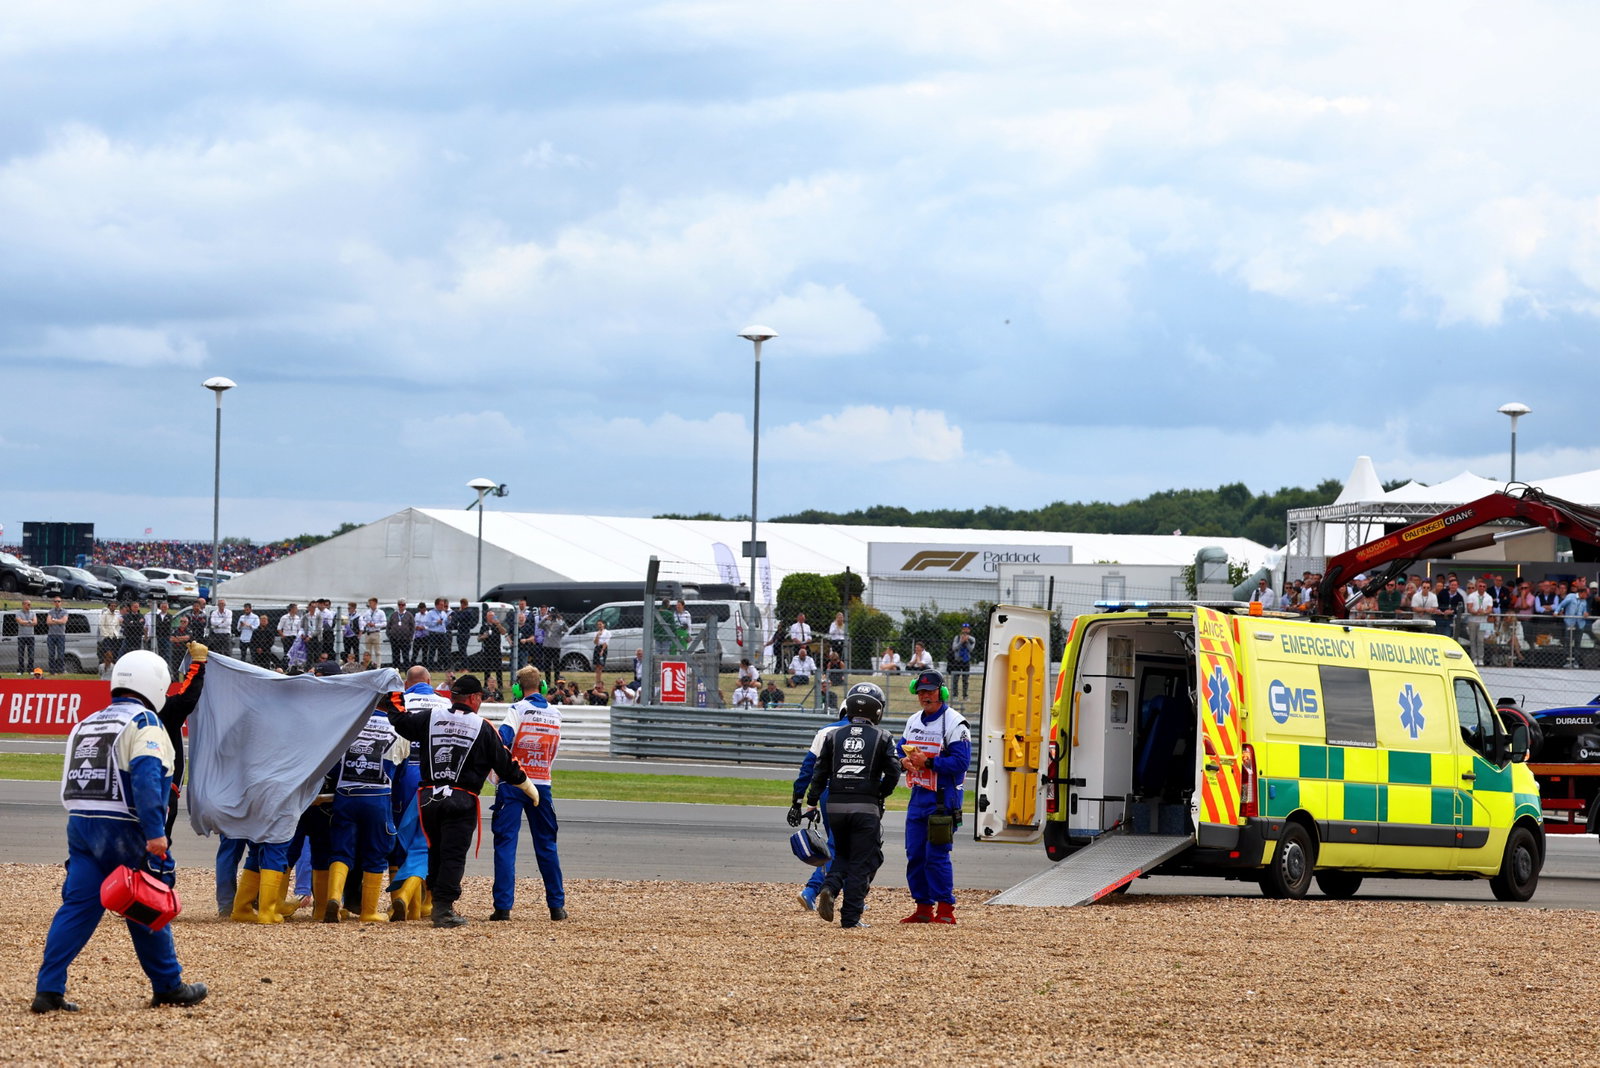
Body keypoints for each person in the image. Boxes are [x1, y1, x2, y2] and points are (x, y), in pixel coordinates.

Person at [31, 649, 208, 1013]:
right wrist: (156, 831)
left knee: (78, 907)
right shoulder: (145, 723)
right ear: (155, 684)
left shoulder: (89, 721)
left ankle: (48, 989)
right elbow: (146, 776)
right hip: (125, 827)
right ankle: (168, 985)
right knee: (147, 904)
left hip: (82, 825)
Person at [388, 674, 538, 927]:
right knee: (453, 855)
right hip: (461, 799)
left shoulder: (430, 717)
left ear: (453, 697)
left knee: (435, 851)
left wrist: (391, 692)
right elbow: (505, 763)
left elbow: (400, 720)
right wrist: (528, 786)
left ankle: (436, 900)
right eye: (481, 697)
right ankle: (444, 910)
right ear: (474, 698)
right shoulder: (482, 726)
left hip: (428, 799)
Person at [801, 682, 901, 929]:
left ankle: (828, 888)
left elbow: (819, 771)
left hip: (835, 807)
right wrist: (880, 793)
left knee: (843, 855)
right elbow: (894, 770)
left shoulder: (833, 735)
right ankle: (851, 917)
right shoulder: (883, 736)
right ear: (877, 711)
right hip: (865, 807)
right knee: (862, 861)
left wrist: (812, 800)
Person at [323, 688, 410, 924]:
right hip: (378, 797)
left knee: (341, 849)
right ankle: (369, 910)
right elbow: (401, 771)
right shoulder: (397, 730)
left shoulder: (348, 725)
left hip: (345, 794)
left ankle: (333, 899)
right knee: (376, 852)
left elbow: (330, 767)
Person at [491, 666, 568, 921]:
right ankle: (556, 907)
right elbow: (554, 752)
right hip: (543, 784)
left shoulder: (517, 709)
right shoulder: (555, 714)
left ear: (517, 688)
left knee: (505, 843)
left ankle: (503, 909)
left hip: (513, 783)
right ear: (543, 686)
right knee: (547, 844)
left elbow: (503, 739)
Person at [897, 670, 971, 925]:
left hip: (944, 798)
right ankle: (923, 908)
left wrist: (928, 762)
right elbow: (899, 749)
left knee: (936, 855)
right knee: (915, 853)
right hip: (918, 795)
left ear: (941, 692)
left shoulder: (955, 723)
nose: (925, 696)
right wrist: (903, 761)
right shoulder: (913, 720)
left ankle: (946, 910)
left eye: (929, 691)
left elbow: (961, 762)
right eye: (921, 691)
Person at [788, 701, 851, 912]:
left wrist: (798, 801)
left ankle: (851, 896)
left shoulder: (825, 731)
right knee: (842, 847)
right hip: (856, 795)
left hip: (826, 794)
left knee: (845, 847)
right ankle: (812, 890)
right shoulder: (873, 733)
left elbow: (808, 768)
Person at [948, 622, 976, 701]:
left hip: (966, 661)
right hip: (957, 661)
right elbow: (954, 648)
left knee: (965, 680)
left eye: (967, 629)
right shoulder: (957, 638)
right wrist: (961, 642)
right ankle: (955, 695)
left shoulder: (972, 639)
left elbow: (971, 649)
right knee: (955, 679)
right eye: (964, 629)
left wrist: (966, 641)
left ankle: (965, 696)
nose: (965, 630)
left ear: (969, 630)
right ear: (961, 630)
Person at [358, 598, 386, 666]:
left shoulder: (380, 612)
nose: (370, 604)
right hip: (368, 633)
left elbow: (384, 623)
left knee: (377, 652)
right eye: (369, 603)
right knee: (368, 651)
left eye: (371, 603)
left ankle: (378, 666)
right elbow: (361, 620)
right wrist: (366, 624)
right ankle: (369, 665)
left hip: (376, 632)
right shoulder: (367, 612)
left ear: (375, 603)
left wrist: (375, 625)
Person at [387, 599, 415, 668]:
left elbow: (412, 627)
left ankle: (407, 671)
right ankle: (396, 671)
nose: (401, 606)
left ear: (405, 606)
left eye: (403, 605)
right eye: (400, 605)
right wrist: (390, 636)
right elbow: (388, 626)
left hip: (405, 640)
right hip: (394, 639)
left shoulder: (409, 615)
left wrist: (410, 638)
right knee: (395, 656)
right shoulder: (394, 615)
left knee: (405, 656)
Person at [449, 598, 475, 670]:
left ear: (463, 604)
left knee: (462, 650)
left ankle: (465, 666)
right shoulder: (466, 611)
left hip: (464, 633)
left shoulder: (468, 611)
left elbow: (459, 618)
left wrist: (457, 613)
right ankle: (464, 666)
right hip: (462, 632)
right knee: (462, 650)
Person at [46, 596, 69, 675]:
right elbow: (48, 622)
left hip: (61, 636)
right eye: (55, 601)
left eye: (59, 601)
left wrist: (54, 620)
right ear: (53, 602)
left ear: (61, 602)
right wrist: (58, 621)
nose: (57, 603)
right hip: (51, 635)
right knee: (51, 654)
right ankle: (52, 671)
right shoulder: (51, 611)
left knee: (61, 654)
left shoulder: (65, 611)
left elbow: (64, 621)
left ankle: (61, 670)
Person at [15, 598, 37, 675]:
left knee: (31, 654)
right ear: (23, 605)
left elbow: (35, 622)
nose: (30, 606)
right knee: (21, 654)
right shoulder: (18, 613)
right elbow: (20, 622)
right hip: (21, 636)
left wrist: (27, 622)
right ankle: (20, 670)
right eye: (28, 604)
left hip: (31, 636)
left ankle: (30, 669)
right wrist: (29, 621)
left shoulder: (33, 612)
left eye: (30, 604)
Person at [592, 619, 610, 687]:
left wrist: (602, 650)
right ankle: (597, 681)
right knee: (597, 666)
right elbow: (595, 642)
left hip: (603, 648)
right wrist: (597, 636)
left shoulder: (607, 632)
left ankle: (599, 682)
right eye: (598, 624)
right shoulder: (596, 633)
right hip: (597, 648)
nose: (599, 626)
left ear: (603, 624)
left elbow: (606, 642)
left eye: (600, 624)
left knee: (600, 666)